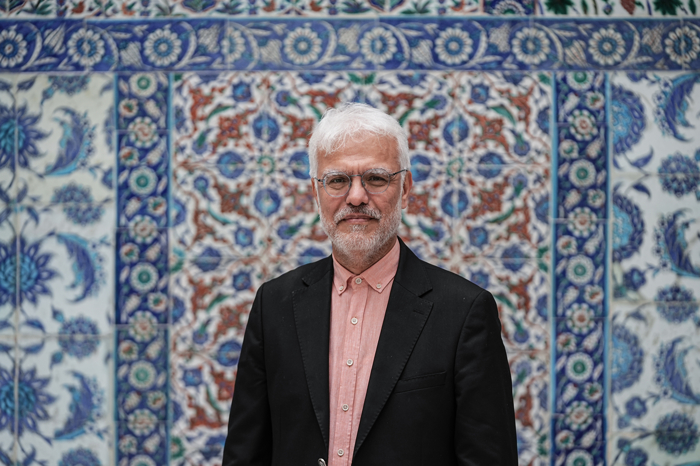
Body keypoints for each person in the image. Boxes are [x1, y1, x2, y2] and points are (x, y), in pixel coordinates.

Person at [222, 103, 517, 466]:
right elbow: (245, 455)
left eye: (376, 179)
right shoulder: (274, 304)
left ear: (405, 189)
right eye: (337, 180)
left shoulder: (465, 312)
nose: (357, 197)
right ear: (316, 192)